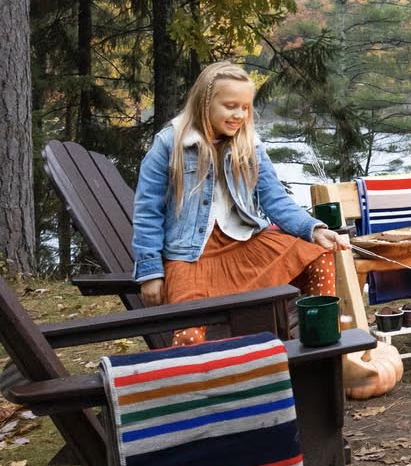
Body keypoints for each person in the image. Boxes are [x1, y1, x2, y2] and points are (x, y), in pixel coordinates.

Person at [133, 60, 350, 343]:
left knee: (318, 255)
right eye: (230, 106)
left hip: (242, 244)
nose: (239, 115)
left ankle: (317, 345)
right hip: (190, 256)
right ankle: (195, 382)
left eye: (245, 107)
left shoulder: (249, 144)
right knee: (188, 336)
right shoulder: (170, 143)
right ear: (205, 102)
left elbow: (274, 198)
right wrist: (150, 272)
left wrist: (315, 229)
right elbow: (147, 210)